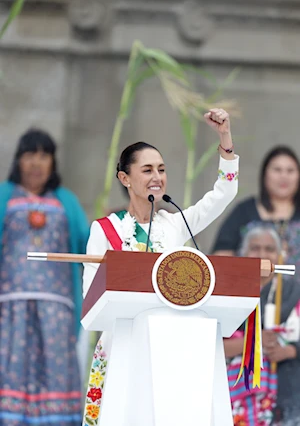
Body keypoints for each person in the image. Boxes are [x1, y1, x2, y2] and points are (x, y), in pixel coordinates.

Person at [82, 107, 239, 425]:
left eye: (162, 169)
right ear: (125, 178)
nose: (157, 177)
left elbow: (224, 193)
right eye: (147, 170)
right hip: (125, 346)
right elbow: (90, 299)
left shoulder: (175, 223)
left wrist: (224, 138)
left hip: (173, 348)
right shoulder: (105, 230)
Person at [0, 129, 90, 425]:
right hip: (8, 308)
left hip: (57, 310)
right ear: (18, 161)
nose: (36, 163)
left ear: (52, 162)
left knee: (55, 369)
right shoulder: (4, 196)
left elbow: (89, 244)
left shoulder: (66, 201)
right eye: (30, 155)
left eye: (43, 156)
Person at [224, 226, 300, 426]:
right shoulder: (226, 293)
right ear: (243, 253)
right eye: (255, 248)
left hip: (287, 395)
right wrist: (253, 342)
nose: (262, 255)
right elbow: (209, 343)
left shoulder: (294, 292)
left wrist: (290, 350)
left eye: (269, 249)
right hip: (233, 394)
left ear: (279, 255)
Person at [212, 146, 300, 281]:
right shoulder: (243, 211)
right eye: (277, 170)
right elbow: (220, 258)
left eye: (290, 170)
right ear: (265, 174)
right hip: (249, 295)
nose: (284, 176)